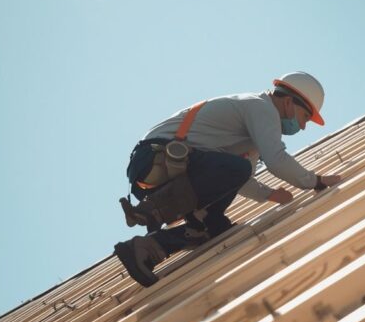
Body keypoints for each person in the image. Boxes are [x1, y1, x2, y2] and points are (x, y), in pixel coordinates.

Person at [115, 71, 343, 287]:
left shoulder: (251, 135)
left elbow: (238, 178)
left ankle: (148, 249)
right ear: (288, 102)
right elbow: (275, 159)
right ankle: (155, 211)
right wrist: (317, 181)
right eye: (305, 117)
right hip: (155, 158)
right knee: (237, 171)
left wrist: (269, 195)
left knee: (214, 227)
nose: (302, 127)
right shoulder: (261, 107)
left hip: (165, 169)